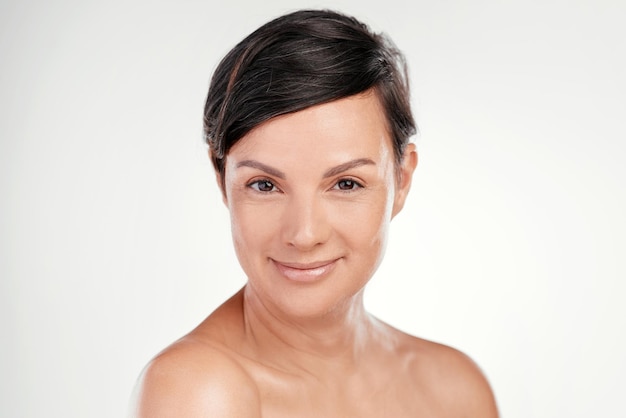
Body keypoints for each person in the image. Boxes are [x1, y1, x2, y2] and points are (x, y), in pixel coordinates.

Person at [131, 9, 499, 417]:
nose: (304, 234)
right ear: (222, 182)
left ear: (402, 180)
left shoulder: (456, 390)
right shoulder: (197, 393)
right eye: (265, 185)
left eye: (345, 184)